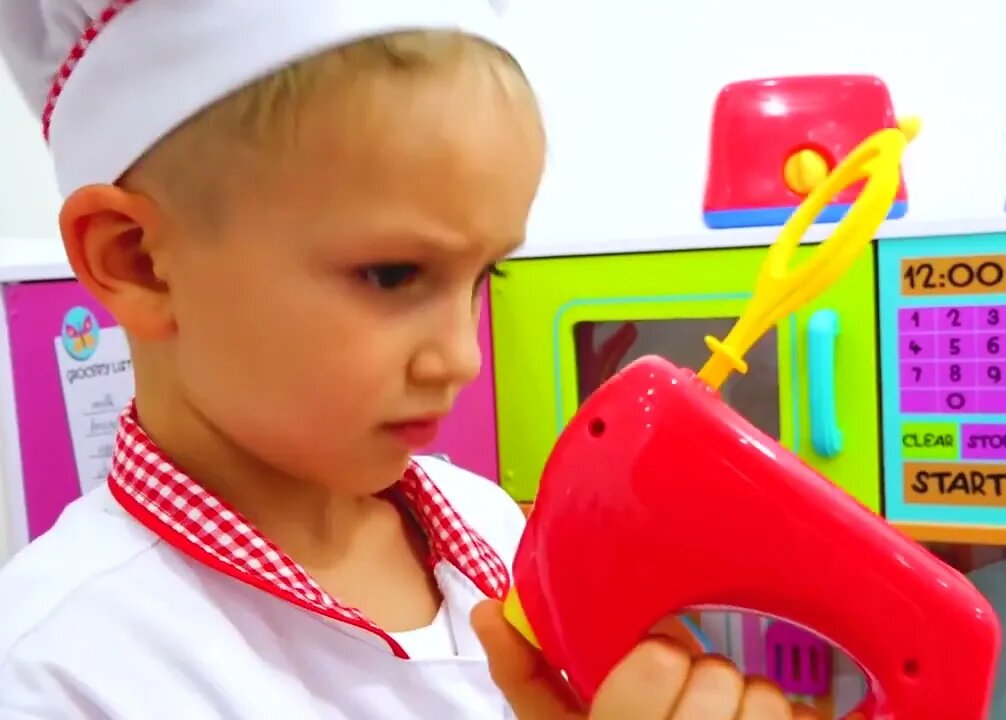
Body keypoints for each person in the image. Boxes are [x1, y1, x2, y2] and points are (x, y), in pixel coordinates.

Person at [0, 1, 819, 718]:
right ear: (139, 259)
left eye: (481, 277)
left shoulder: (497, 531)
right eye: (392, 275)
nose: (461, 358)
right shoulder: (58, 668)